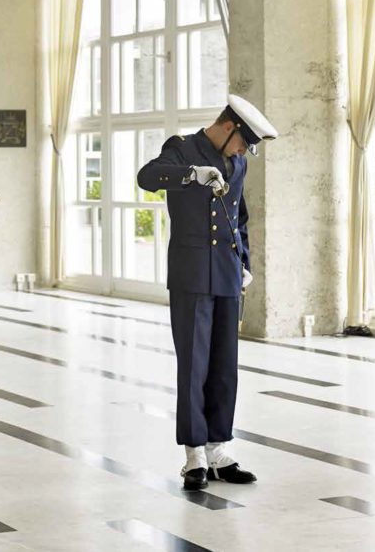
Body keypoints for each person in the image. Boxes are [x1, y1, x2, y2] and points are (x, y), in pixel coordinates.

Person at [137, 94, 276, 490]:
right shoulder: (181, 150)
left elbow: (239, 215)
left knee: (224, 366)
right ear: (229, 126)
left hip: (227, 274)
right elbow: (147, 177)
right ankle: (194, 456)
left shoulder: (239, 161)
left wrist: (245, 262)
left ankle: (218, 449)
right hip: (192, 274)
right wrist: (190, 175)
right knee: (194, 366)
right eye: (241, 141)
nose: (242, 152)